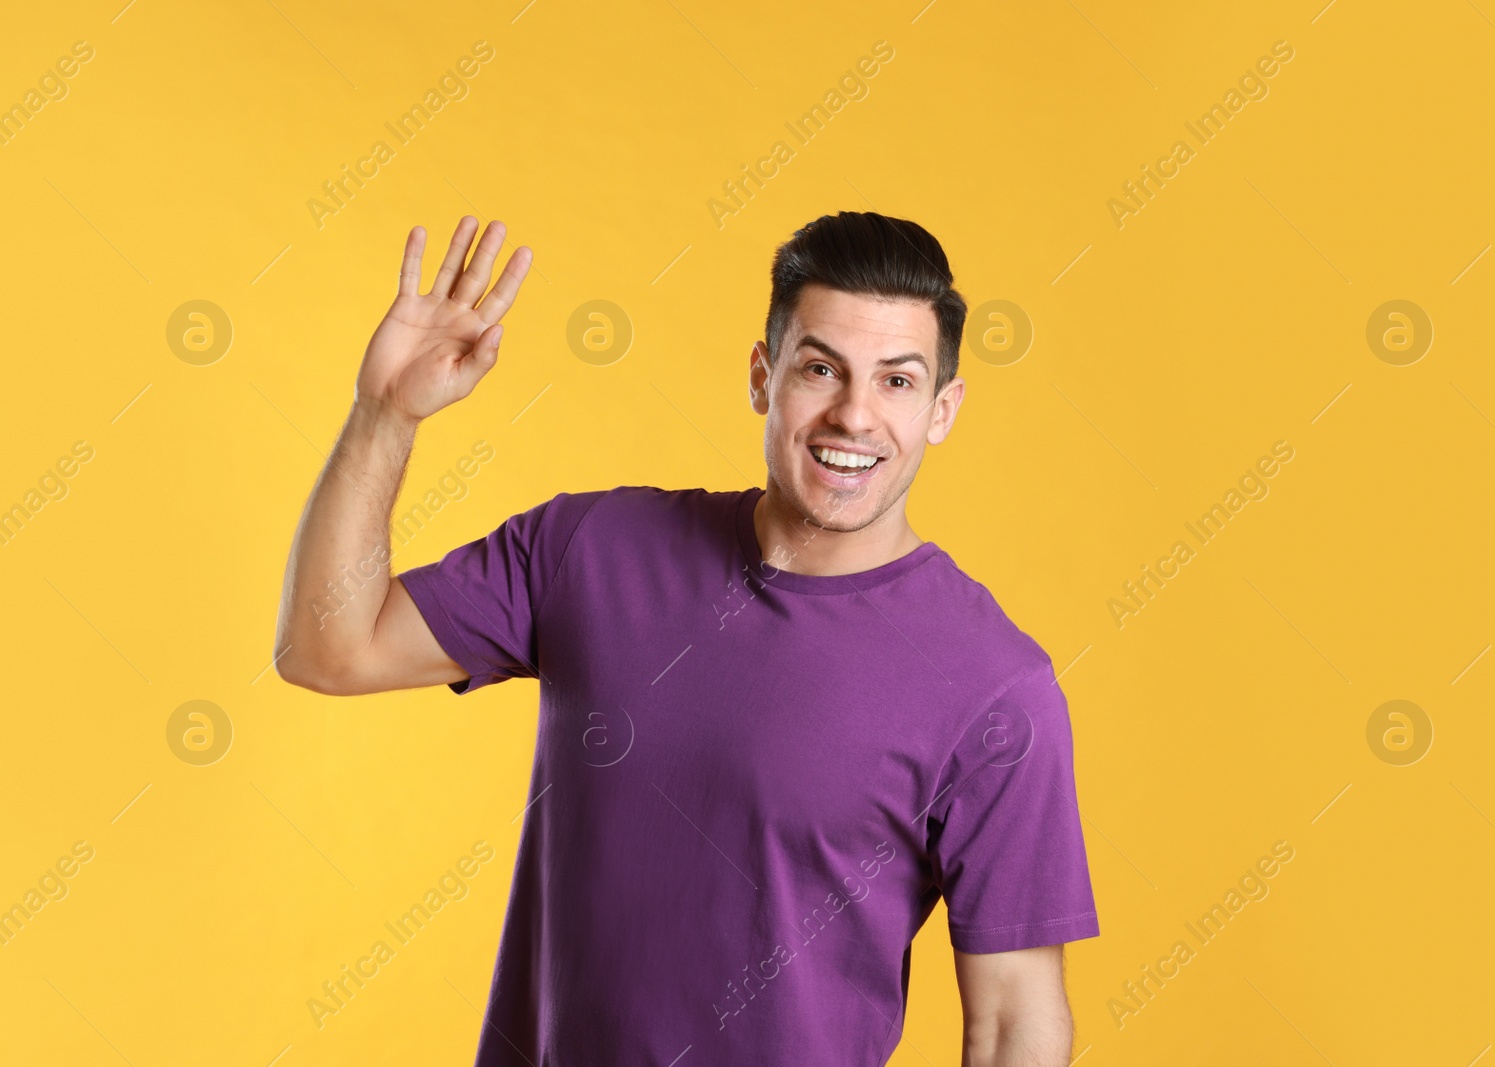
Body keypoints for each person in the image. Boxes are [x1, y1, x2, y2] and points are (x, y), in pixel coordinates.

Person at [274, 210, 1099, 1065]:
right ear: (761, 376)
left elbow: (1011, 1023)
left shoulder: (995, 685)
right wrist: (383, 416)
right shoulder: (589, 551)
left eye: (897, 381)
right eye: (821, 368)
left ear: (943, 408)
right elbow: (327, 647)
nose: (854, 416)